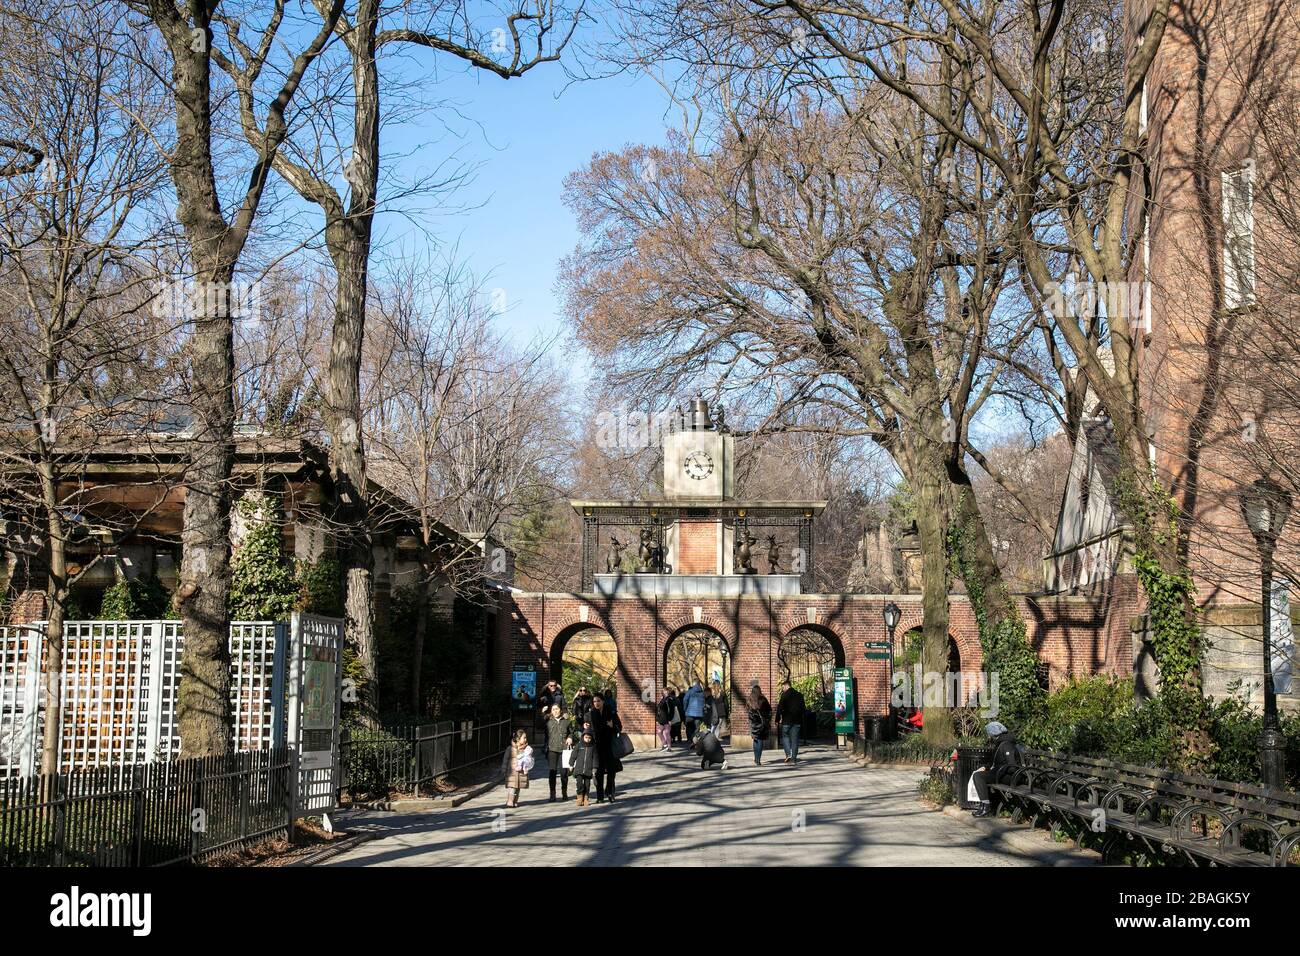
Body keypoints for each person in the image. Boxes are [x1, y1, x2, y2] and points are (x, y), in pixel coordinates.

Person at [969, 721, 1021, 817]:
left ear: (993, 733)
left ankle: (986, 806)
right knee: (978, 774)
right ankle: (984, 805)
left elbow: (1012, 767)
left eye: (989, 734)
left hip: (1010, 777)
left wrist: (997, 770)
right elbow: (994, 761)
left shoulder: (1006, 745)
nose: (989, 736)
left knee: (979, 777)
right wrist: (985, 767)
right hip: (1001, 773)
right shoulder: (1000, 743)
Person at [589, 693, 623, 802]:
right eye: (594, 701)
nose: (596, 703)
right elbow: (593, 729)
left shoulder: (611, 712)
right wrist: (605, 725)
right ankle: (600, 796)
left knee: (611, 771)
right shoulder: (591, 713)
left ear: (603, 701)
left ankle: (610, 792)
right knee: (599, 772)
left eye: (598, 701)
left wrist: (613, 726)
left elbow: (619, 727)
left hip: (609, 745)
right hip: (597, 746)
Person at [543, 704, 573, 802]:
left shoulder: (566, 722)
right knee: (552, 772)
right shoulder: (548, 721)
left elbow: (571, 732)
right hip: (552, 749)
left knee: (564, 772)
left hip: (563, 749)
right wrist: (542, 713)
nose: (555, 711)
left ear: (560, 711)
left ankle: (564, 793)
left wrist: (570, 737)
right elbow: (539, 725)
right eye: (553, 709)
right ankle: (552, 794)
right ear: (551, 711)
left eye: (557, 709)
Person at [502, 729, 534, 808]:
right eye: (524, 738)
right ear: (517, 739)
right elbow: (505, 759)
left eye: (526, 738)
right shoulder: (510, 748)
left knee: (519, 787)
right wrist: (504, 769)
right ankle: (510, 801)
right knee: (512, 787)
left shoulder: (526, 749)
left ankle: (515, 801)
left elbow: (529, 759)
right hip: (512, 772)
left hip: (521, 772)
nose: (526, 739)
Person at [776, 682, 807, 764]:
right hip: (797, 721)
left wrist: (777, 719)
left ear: (786, 686)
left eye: (783, 687)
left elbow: (779, 708)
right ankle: (793, 759)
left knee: (785, 736)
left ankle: (788, 754)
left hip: (786, 720)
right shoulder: (800, 695)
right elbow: (803, 709)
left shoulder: (784, 695)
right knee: (795, 740)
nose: (782, 689)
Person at [571, 727, 598, 807]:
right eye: (586, 737)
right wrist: (571, 764)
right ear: (583, 737)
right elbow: (573, 755)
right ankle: (579, 797)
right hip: (579, 768)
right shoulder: (579, 745)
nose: (588, 739)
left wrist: (594, 768)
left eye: (589, 738)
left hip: (588, 769)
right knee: (579, 784)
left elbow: (595, 758)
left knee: (587, 785)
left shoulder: (593, 747)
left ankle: (586, 797)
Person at [747, 682, 773, 766]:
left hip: (754, 724)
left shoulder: (749, 700)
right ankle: (758, 759)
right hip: (762, 724)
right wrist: (768, 719)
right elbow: (769, 710)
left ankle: (755, 758)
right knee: (760, 740)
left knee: (755, 740)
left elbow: (748, 712)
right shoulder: (763, 699)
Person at [655, 687, 675, 752]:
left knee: (667, 733)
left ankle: (669, 747)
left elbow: (672, 711)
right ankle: (665, 745)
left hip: (667, 719)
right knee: (659, 732)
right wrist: (657, 719)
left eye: (665, 691)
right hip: (661, 719)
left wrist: (670, 719)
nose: (664, 692)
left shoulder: (669, 700)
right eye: (663, 691)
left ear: (668, 692)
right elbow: (659, 709)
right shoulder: (662, 699)